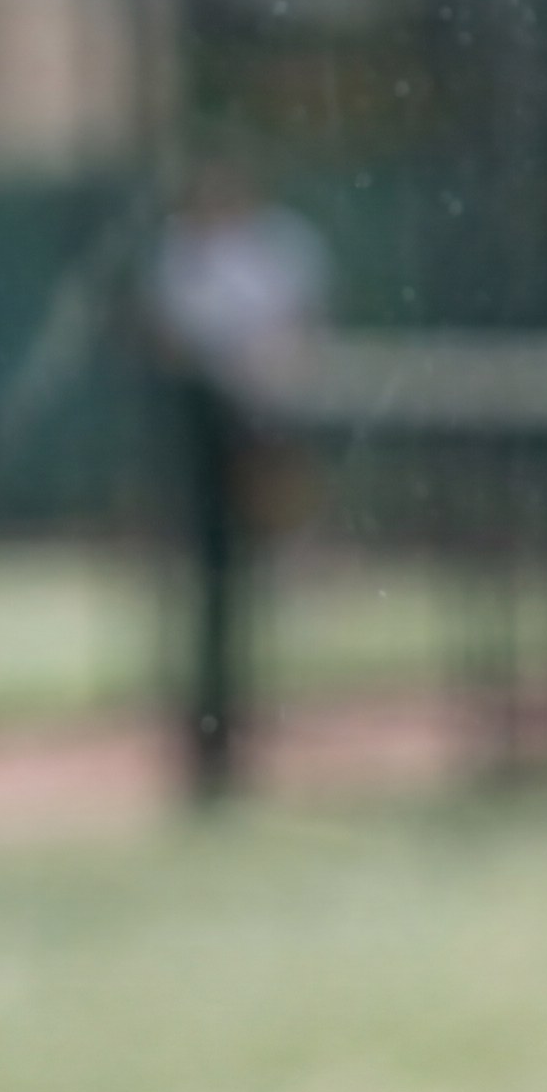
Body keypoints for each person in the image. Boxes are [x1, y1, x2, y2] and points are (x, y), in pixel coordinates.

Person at [144, 158, 328, 801]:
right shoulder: (181, 255)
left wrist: (269, 366)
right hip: (205, 430)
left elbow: (298, 330)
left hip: (266, 413)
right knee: (214, 571)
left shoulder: (281, 245)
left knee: (267, 483)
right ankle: (214, 724)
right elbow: (171, 338)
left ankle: (292, 547)